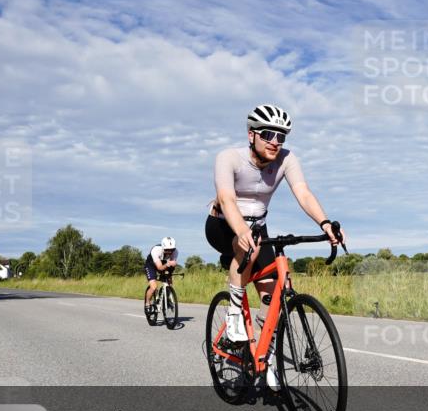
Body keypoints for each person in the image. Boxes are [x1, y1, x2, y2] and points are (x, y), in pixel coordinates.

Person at [206, 104, 344, 389]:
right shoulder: (229, 157)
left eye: (281, 136)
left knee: (273, 297)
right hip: (222, 223)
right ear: (251, 135)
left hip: (257, 226)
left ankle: (267, 359)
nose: (275, 142)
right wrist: (241, 230)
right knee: (250, 247)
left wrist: (325, 223)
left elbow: (303, 193)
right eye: (268, 134)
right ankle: (233, 316)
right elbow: (227, 199)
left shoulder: (286, 158)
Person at [144, 237, 178, 308]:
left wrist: (169, 274)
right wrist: (168, 264)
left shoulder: (175, 252)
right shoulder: (156, 250)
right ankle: (147, 303)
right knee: (154, 287)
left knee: (169, 282)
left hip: (164, 263)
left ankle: (167, 298)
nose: (170, 252)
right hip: (151, 265)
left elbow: (171, 265)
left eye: (172, 250)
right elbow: (159, 267)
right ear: (163, 248)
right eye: (167, 250)